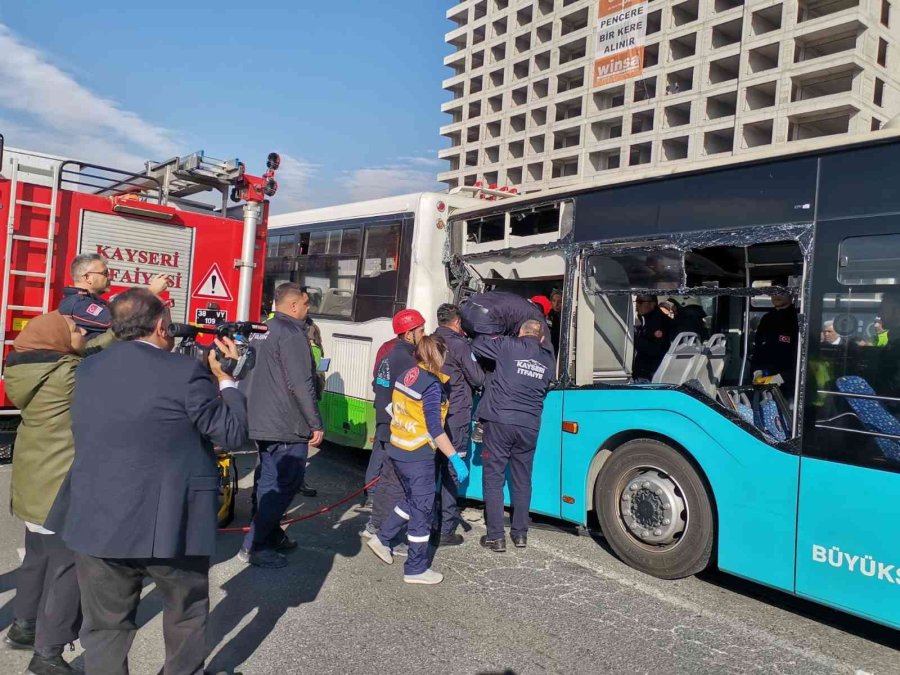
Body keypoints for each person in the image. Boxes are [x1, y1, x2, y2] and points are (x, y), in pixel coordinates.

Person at [52, 288, 247, 675]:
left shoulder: (88, 368)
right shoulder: (184, 371)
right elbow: (231, 434)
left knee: (105, 626)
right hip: (171, 521)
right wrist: (227, 381)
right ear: (161, 326)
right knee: (185, 613)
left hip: (98, 519)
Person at [4, 313, 87, 675]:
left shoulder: (28, 369)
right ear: (57, 342)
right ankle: (49, 654)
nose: (84, 332)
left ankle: (24, 628)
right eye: (75, 329)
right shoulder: (69, 375)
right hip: (59, 484)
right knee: (68, 568)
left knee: (36, 558)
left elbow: (91, 348)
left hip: (33, 481)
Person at [366, 335, 469, 584]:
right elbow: (435, 428)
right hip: (418, 454)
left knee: (412, 499)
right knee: (423, 511)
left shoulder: (409, 374)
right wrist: (454, 457)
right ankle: (416, 568)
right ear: (439, 356)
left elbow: (393, 407)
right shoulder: (431, 386)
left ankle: (382, 538)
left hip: (399, 447)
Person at [239, 282, 324, 568]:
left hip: (262, 420)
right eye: (305, 303)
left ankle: (271, 535)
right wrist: (315, 422)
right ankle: (256, 545)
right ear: (293, 306)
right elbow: (301, 383)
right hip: (286, 423)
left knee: (268, 482)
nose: (308, 307)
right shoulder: (291, 334)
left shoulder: (262, 330)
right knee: (286, 484)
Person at [472, 319, 554, 552]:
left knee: (494, 477)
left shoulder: (508, 345)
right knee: (522, 479)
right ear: (540, 338)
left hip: (500, 421)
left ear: (520, 333)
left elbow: (478, 345)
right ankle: (520, 534)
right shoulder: (548, 359)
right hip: (529, 425)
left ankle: (496, 537)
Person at [362, 309, 426, 543]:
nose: (423, 334)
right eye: (420, 330)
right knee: (395, 483)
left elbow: (380, 389)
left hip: (385, 424)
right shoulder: (408, 362)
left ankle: (375, 525)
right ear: (409, 334)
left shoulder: (388, 357)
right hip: (399, 430)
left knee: (388, 478)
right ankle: (381, 530)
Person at [433, 303, 484, 545]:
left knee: (432, 471)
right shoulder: (460, 345)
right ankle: (446, 530)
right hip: (456, 415)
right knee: (452, 470)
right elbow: (477, 377)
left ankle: (429, 522)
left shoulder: (429, 341)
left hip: (432, 414)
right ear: (457, 323)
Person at [58, 253, 169, 344]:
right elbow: (121, 321)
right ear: (88, 277)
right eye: (105, 273)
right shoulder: (76, 303)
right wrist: (150, 292)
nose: (109, 277)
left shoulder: (88, 301)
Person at [459, 290, 554, 356]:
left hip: (466, 308)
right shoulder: (535, 313)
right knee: (501, 354)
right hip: (486, 318)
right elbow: (546, 346)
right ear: (544, 314)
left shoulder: (517, 301)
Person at [749, 285, 799, 392]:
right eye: (773, 292)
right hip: (766, 376)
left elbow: (800, 356)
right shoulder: (767, 319)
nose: (777, 296)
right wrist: (757, 371)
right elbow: (759, 348)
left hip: (789, 382)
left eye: (782, 292)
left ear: (792, 295)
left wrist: (781, 377)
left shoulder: (798, 319)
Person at [632, 295, 673, 381]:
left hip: (649, 373)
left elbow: (655, 349)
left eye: (640, 302)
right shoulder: (648, 320)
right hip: (649, 370)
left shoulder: (657, 322)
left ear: (652, 304)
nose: (636, 306)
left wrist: (632, 338)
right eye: (636, 302)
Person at [547, 289, 562, 355]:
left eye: (560, 301)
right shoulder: (548, 315)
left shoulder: (565, 315)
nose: (556, 304)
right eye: (554, 301)